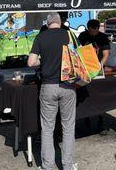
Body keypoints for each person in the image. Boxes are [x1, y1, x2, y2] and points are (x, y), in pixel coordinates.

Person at [28, 12, 77, 170]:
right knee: (68, 128)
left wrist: (43, 60)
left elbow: (31, 63)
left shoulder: (41, 37)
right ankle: (67, 166)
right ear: (60, 22)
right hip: (68, 86)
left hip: (48, 87)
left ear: (48, 23)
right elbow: (79, 58)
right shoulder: (69, 35)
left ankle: (47, 166)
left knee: (47, 129)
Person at [78, 19, 111, 135]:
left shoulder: (102, 37)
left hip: (98, 69)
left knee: (100, 96)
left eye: (95, 31)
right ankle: (86, 117)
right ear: (88, 29)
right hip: (85, 69)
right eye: (91, 32)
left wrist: (99, 66)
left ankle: (101, 119)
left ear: (98, 29)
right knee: (86, 94)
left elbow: (106, 54)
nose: (92, 34)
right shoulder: (82, 36)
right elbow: (78, 51)